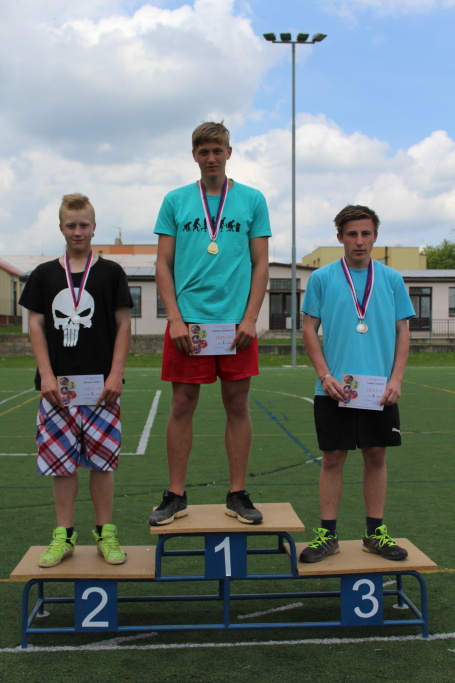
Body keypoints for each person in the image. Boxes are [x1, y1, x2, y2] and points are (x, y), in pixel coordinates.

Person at [148, 121, 271, 526]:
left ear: (229, 153)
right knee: (182, 405)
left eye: (218, 150)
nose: (211, 158)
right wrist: (175, 318)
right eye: (204, 151)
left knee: (237, 404)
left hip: (236, 326)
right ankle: (175, 495)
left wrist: (250, 318)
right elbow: (162, 264)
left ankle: (237, 493)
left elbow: (261, 264)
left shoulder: (252, 199)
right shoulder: (176, 200)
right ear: (194, 156)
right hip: (190, 324)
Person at [19, 193, 133, 567]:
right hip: (57, 391)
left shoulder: (111, 272)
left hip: (102, 389)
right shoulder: (44, 274)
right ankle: (64, 535)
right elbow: (36, 325)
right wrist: (46, 375)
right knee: (61, 463)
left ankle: (105, 533)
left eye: (84, 225)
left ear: (94, 227)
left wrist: (116, 374)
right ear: (61, 228)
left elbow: (123, 324)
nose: (78, 231)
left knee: (102, 463)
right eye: (71, 225)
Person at [300, 204, 415, 563]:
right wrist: (325, 375)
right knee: (333, 458)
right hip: (335, 387)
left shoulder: (392, 279)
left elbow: (403, 331)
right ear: (340, 238)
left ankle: (374, 534)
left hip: (379, 389)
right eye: (352, 234)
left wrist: (396, 379)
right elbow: (308, 329)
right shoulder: (322, 278)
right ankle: (327, 536)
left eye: (366, 233)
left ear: (375, 237)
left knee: (376, 456)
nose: (359, 241)